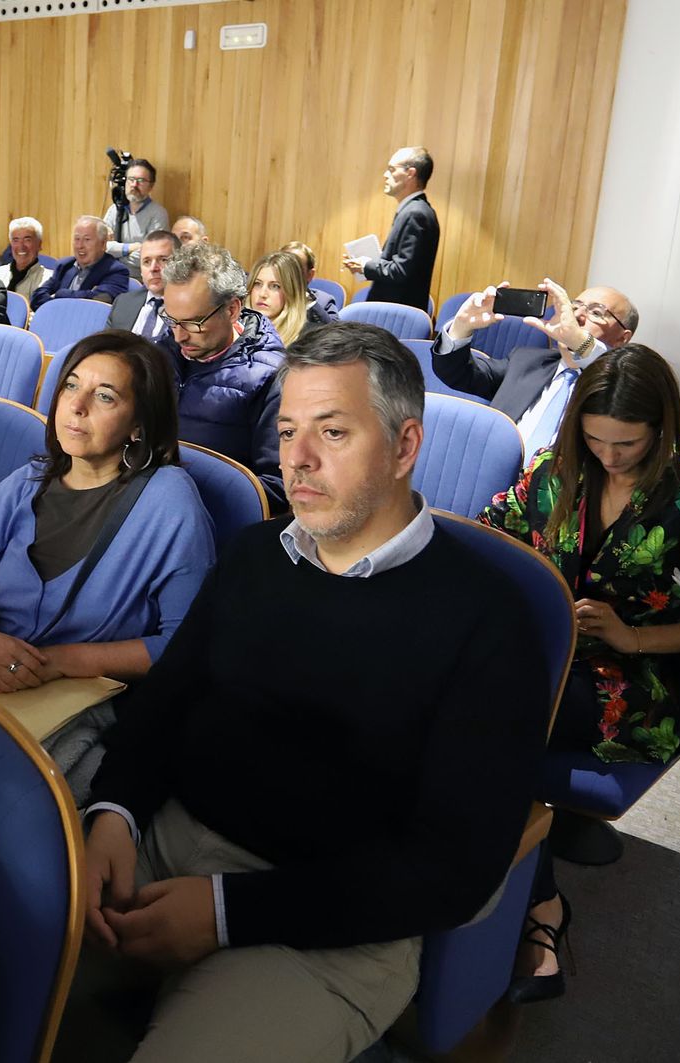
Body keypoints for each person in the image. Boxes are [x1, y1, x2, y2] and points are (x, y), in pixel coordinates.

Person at [54, 323, 551, 1063]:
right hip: (164, 844)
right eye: (288, 430)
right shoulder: (256, 552)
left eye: (333, 432)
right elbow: (164, 705)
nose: (299, 459)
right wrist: (112, 817)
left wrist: (226, 912)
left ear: (405, 446)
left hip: (332, 921)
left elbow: (452, 868)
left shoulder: (488, 619)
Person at [480, 344, 680, 1004]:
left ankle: (540, 910)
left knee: (493, 723)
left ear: (661, 427)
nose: (611, 455)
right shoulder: (555, 468)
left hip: (632, 683)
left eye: (627, 441)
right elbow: (488, 536)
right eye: (596, 438)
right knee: (475, 708)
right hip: (543, 660)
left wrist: (633, 634)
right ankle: (480, 869)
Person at [0, 330, 212, 693]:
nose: (77, 405)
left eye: (104, 396)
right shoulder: (28, 481)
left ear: (139, 426)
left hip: (85, 692)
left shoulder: (169, 501)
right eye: (71, 386)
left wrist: (62, 662)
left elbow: (186, 643)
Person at [434, 279, 638, 459]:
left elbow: (620, 379)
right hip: (494, 480)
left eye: (595, 312)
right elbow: (456, 372)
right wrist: (461, 327)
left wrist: (580, 343)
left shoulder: (619, 388)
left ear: (622, 338)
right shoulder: (526, 361)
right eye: (574, 307)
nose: (576, 316)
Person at [160, 241, 287, 505]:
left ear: (232, 310)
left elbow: (277, 488)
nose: (179, 335)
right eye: (171, 320)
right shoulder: (160, 354)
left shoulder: (271, 379)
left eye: (194, 323)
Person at [342, 146, 440, 312]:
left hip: (397, 314)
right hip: (396, 310)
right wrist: (366, 266)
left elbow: (401, 271)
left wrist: (366, 266)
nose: (385, 175)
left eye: (391, 169)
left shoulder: (415, 213)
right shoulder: (414, 210)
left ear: (410, 173)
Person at [32, 216, 130, 309]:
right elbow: (37, 297)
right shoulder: (64, 265)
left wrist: (60, 295)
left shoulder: (116, 271)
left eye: (87, 239)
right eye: (77, 239)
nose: (80, 246)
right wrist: (55, 304)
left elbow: (100, 300)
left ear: (103, 244)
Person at [106, 230, 179, 346]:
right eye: (147, 262)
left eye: (163, 260)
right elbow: (107, 350)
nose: (153, 268)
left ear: (180, 264)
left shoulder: (191, 308)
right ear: (140, 271)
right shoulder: (123, 303)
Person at [248, 250, 329, 348]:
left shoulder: (310, 339)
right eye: (257, 284)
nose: (262, 294)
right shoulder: (235, 330)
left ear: (292, 291)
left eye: (275, 286)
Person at [102, 159, 168, 273]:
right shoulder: (115, 209)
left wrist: (114, 255)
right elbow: (100, 246)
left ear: (151, 186)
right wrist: (129, 248)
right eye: (131, 179)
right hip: (109, 275)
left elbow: (149, 256)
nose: (134, 184)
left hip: (138, 280)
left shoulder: (158, 214)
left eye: (141, 180)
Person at [0, 217, 50, 301]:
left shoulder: (48, 280)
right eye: (15, 240)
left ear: (39, 244)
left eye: (27, 240)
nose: (21, 246)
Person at [280, 240, 341, 321]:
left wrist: (309, 303)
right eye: (284, 267)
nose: (288, 273)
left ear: (310, 275)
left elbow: (334, 331)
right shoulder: (265, 297)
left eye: (296, 268)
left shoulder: (324, 302)